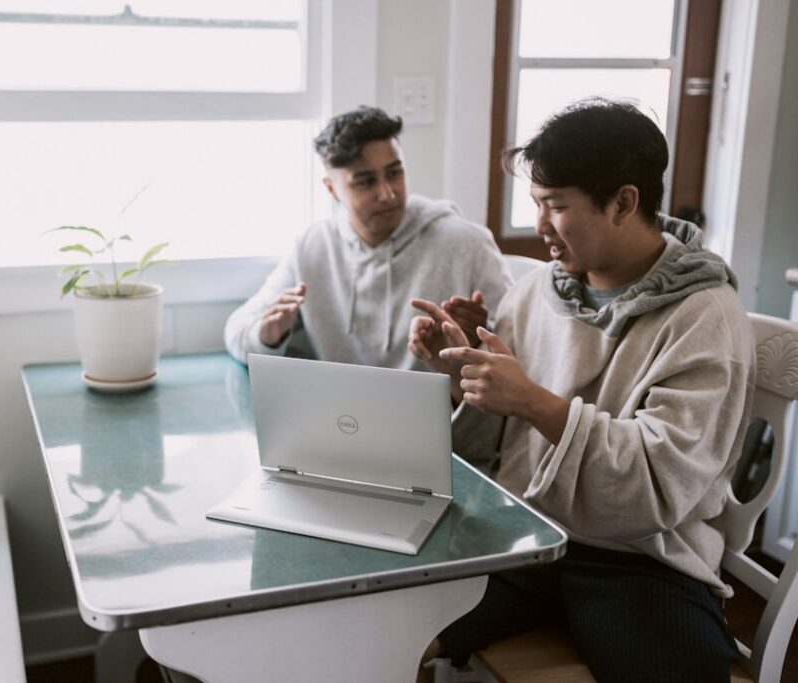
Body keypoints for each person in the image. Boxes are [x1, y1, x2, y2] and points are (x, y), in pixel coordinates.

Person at [409, 99, 755, 682]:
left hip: (640, 561)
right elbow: (490, 453)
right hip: (524, 536)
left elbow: (656, 489)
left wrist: (531, 400)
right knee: (390, 622)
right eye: (536, 204)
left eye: (556, 205)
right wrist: (462, 374)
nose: (540, 225)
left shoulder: (705, 316)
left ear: (623, 202)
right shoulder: (536, 291)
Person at [223, 106, 512, 370]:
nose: (387, 193)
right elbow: (237, 331)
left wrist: (477, 341)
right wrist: (267, 335)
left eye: (394, 173)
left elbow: (519, 345)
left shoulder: (467, 243)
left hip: (438, 409)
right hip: (337, 407)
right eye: (366, 182)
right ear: (331, 189)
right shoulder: (312, 247)